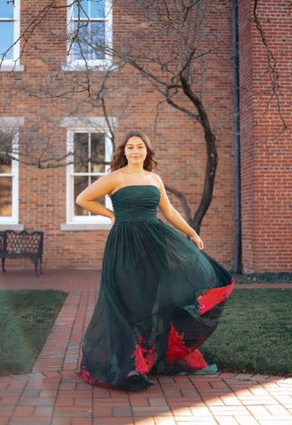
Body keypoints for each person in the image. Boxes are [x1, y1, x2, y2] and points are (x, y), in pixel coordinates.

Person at [76, 129, 234, 391]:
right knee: (127, 300)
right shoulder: (115, 177)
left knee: (151, 300)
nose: (135, 151)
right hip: (124, 246)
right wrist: (111, 215)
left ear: (146, 151)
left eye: (139, 147)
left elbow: (168, 211)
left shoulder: (154, 179)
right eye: (130, 147)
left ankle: (149, 358)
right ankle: (128, 366)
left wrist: (191, 232)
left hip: (154, 244)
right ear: (123, 151)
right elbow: (83, 198)